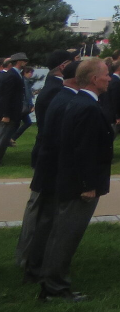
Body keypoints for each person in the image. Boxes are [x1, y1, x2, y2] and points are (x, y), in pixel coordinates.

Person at [39, 57, 114, 301]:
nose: (109, 78)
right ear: (94, 79)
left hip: (72, 182)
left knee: (61, 235)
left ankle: (52, 284)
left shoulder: (79, 102)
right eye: (106, 74)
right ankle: (55, 288)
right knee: (65, 237)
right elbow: (83, 150)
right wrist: (88, 185)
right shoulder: (86, 107)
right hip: (79, 186)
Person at [17, 57, 79, 281]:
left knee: (39, 211)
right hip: (49, 159)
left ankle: (28, 258)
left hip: (45, 156)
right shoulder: (56, 91)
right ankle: (29, 259)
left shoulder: (52, 88)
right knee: (40, 213)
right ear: (63, 65)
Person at [0, 51, 30, 162]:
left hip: (14, 111)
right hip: (10, 113)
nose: (26, 63)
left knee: (5, 137)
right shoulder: (12, 75)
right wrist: (6, 114)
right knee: (3, 137)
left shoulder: (16, 74)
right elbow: (7, 96)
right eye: (24, 61)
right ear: (19, 62)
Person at [105, 58, 120, 132]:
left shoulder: (115, 80)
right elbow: (115, 99)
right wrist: (117, 116)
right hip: (114, 116)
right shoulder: (115, 82)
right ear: (119, 68)